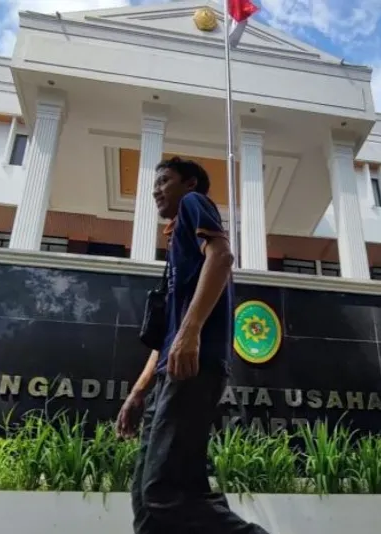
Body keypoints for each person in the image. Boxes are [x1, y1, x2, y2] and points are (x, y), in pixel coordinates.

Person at [116, 157, 270, 534]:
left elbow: (222, 256)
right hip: (170, 374)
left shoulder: (193, 204)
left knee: (165, 492)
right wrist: (138, 392)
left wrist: (191, 331)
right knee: (147, 506)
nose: (156, 189)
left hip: (193, 368)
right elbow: (166, 335)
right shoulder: (177, 248)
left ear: (189, 184)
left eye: (164, 180)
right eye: (155, 183)